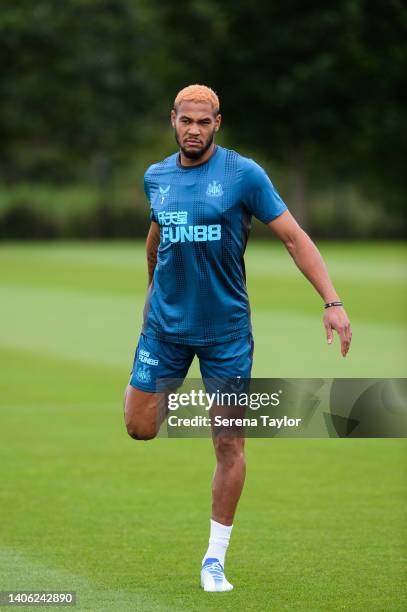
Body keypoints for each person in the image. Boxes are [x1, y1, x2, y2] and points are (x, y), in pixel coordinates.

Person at [123, 84, 352, 592]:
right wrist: (150, 296)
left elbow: (294, 237)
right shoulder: (155, 177)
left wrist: (332, 302)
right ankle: (156, 383)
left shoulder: (243, 175)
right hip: (164, 330)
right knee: (140, 427)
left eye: (204, 122)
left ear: (218, 123)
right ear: (173, 120)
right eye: (186, 121)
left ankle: (214, 560)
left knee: (228, 442)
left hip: (226, 334)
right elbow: (157, 235)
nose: (194, 130)